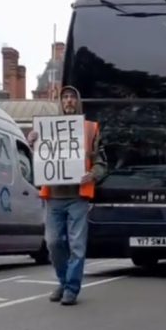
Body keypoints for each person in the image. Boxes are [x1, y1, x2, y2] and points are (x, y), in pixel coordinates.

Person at [27, 86, 106, 306]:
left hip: (78, 196)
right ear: (60, 102)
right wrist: (32, 141)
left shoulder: (90, 128)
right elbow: (40, 156)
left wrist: (92, 175)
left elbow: (102, 161)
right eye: (65, 97)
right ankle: (63, 281)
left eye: (72, 97)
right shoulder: (46, 129)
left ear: (77, 101)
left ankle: (71, 288)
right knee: (53, 242)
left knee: (77, 246)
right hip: (53, 196)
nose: (69, 100)